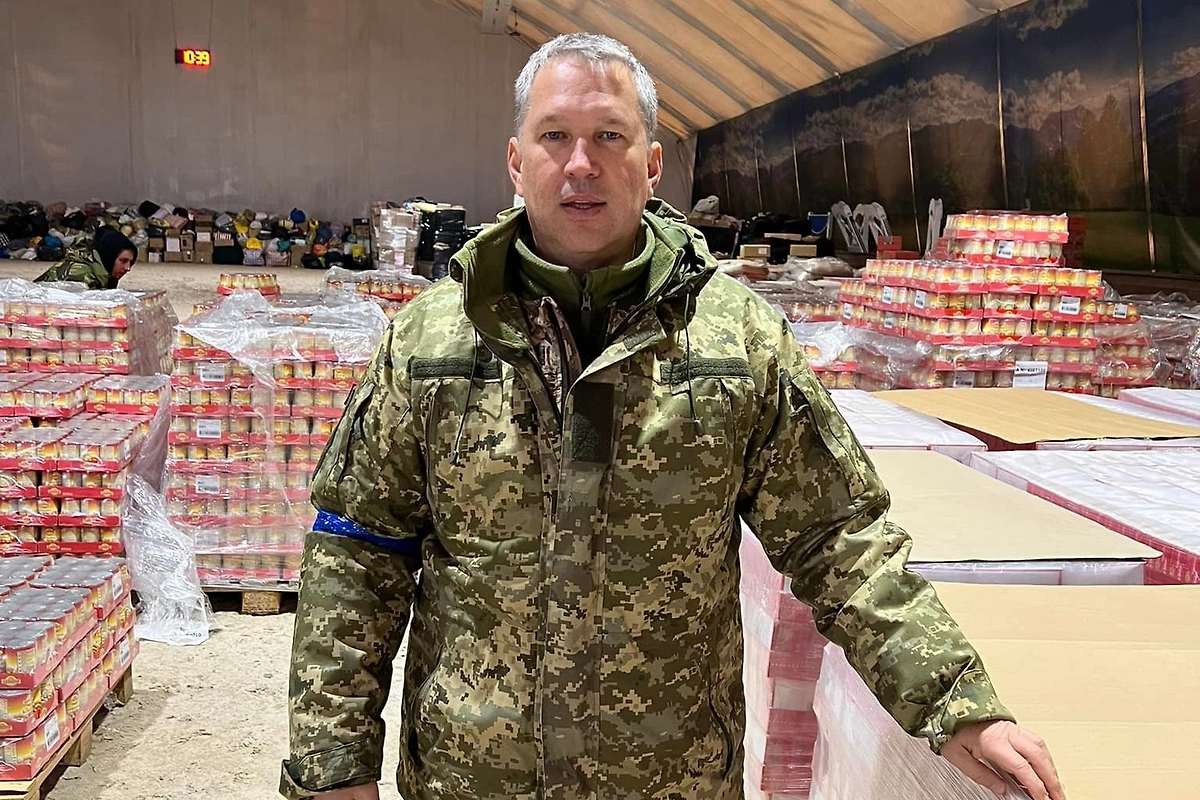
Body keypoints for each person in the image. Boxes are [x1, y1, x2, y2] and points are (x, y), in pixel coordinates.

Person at [284, 33, 1066, 800]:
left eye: (609, 136)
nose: (581, 163)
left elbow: (838, 539)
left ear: (652, 164)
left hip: (671, 778)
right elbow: (358, 553)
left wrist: (954, 699)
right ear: (516, 162)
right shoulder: (433, 343)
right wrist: (333, 767)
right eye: (555, 136)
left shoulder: (734, 342)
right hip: (472, 778)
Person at [34, 226, 136, 289]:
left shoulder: (103, 274)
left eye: (130, 262)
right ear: (108, 257)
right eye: (123, 261)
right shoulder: (81, 276)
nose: (127, 268)